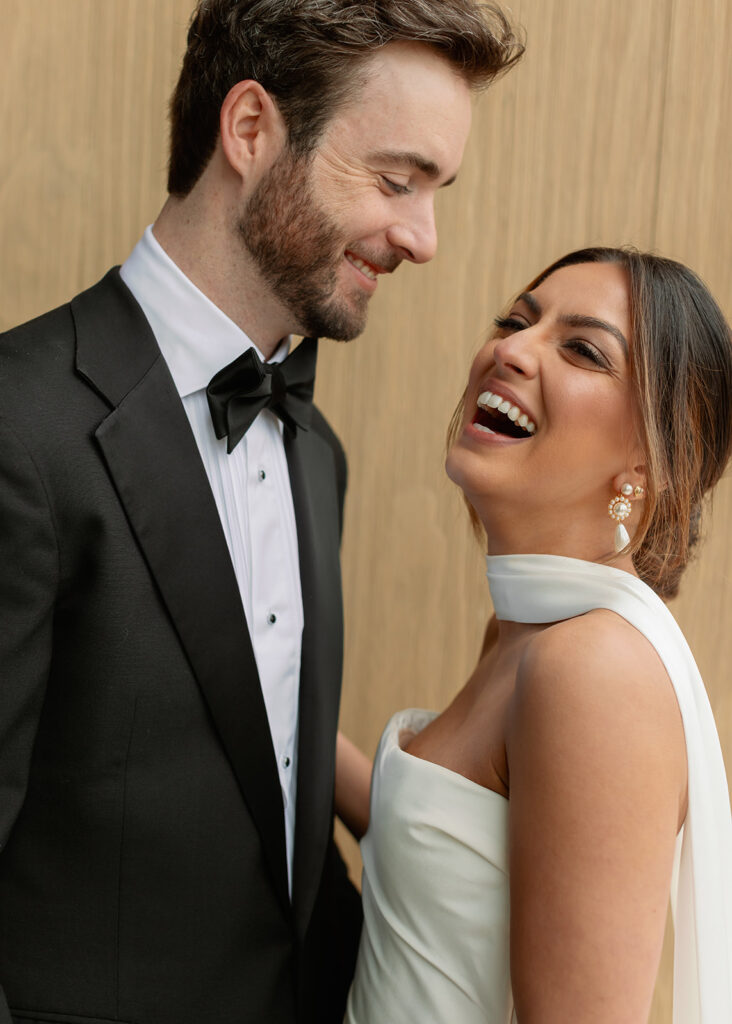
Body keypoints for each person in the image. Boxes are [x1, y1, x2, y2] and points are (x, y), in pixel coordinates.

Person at [0, 3, 524, 1023]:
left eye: (437, 190)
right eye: (396, 179)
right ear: (251, 131)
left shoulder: (315, 454)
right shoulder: (20, 430)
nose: (424, 238)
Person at [337, 247, 732, 1023]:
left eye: (581, 349)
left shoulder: (592, 668)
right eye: (516, 321)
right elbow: (449, 875)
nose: (509, 350)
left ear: (651, 453)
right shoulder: (523, 634)